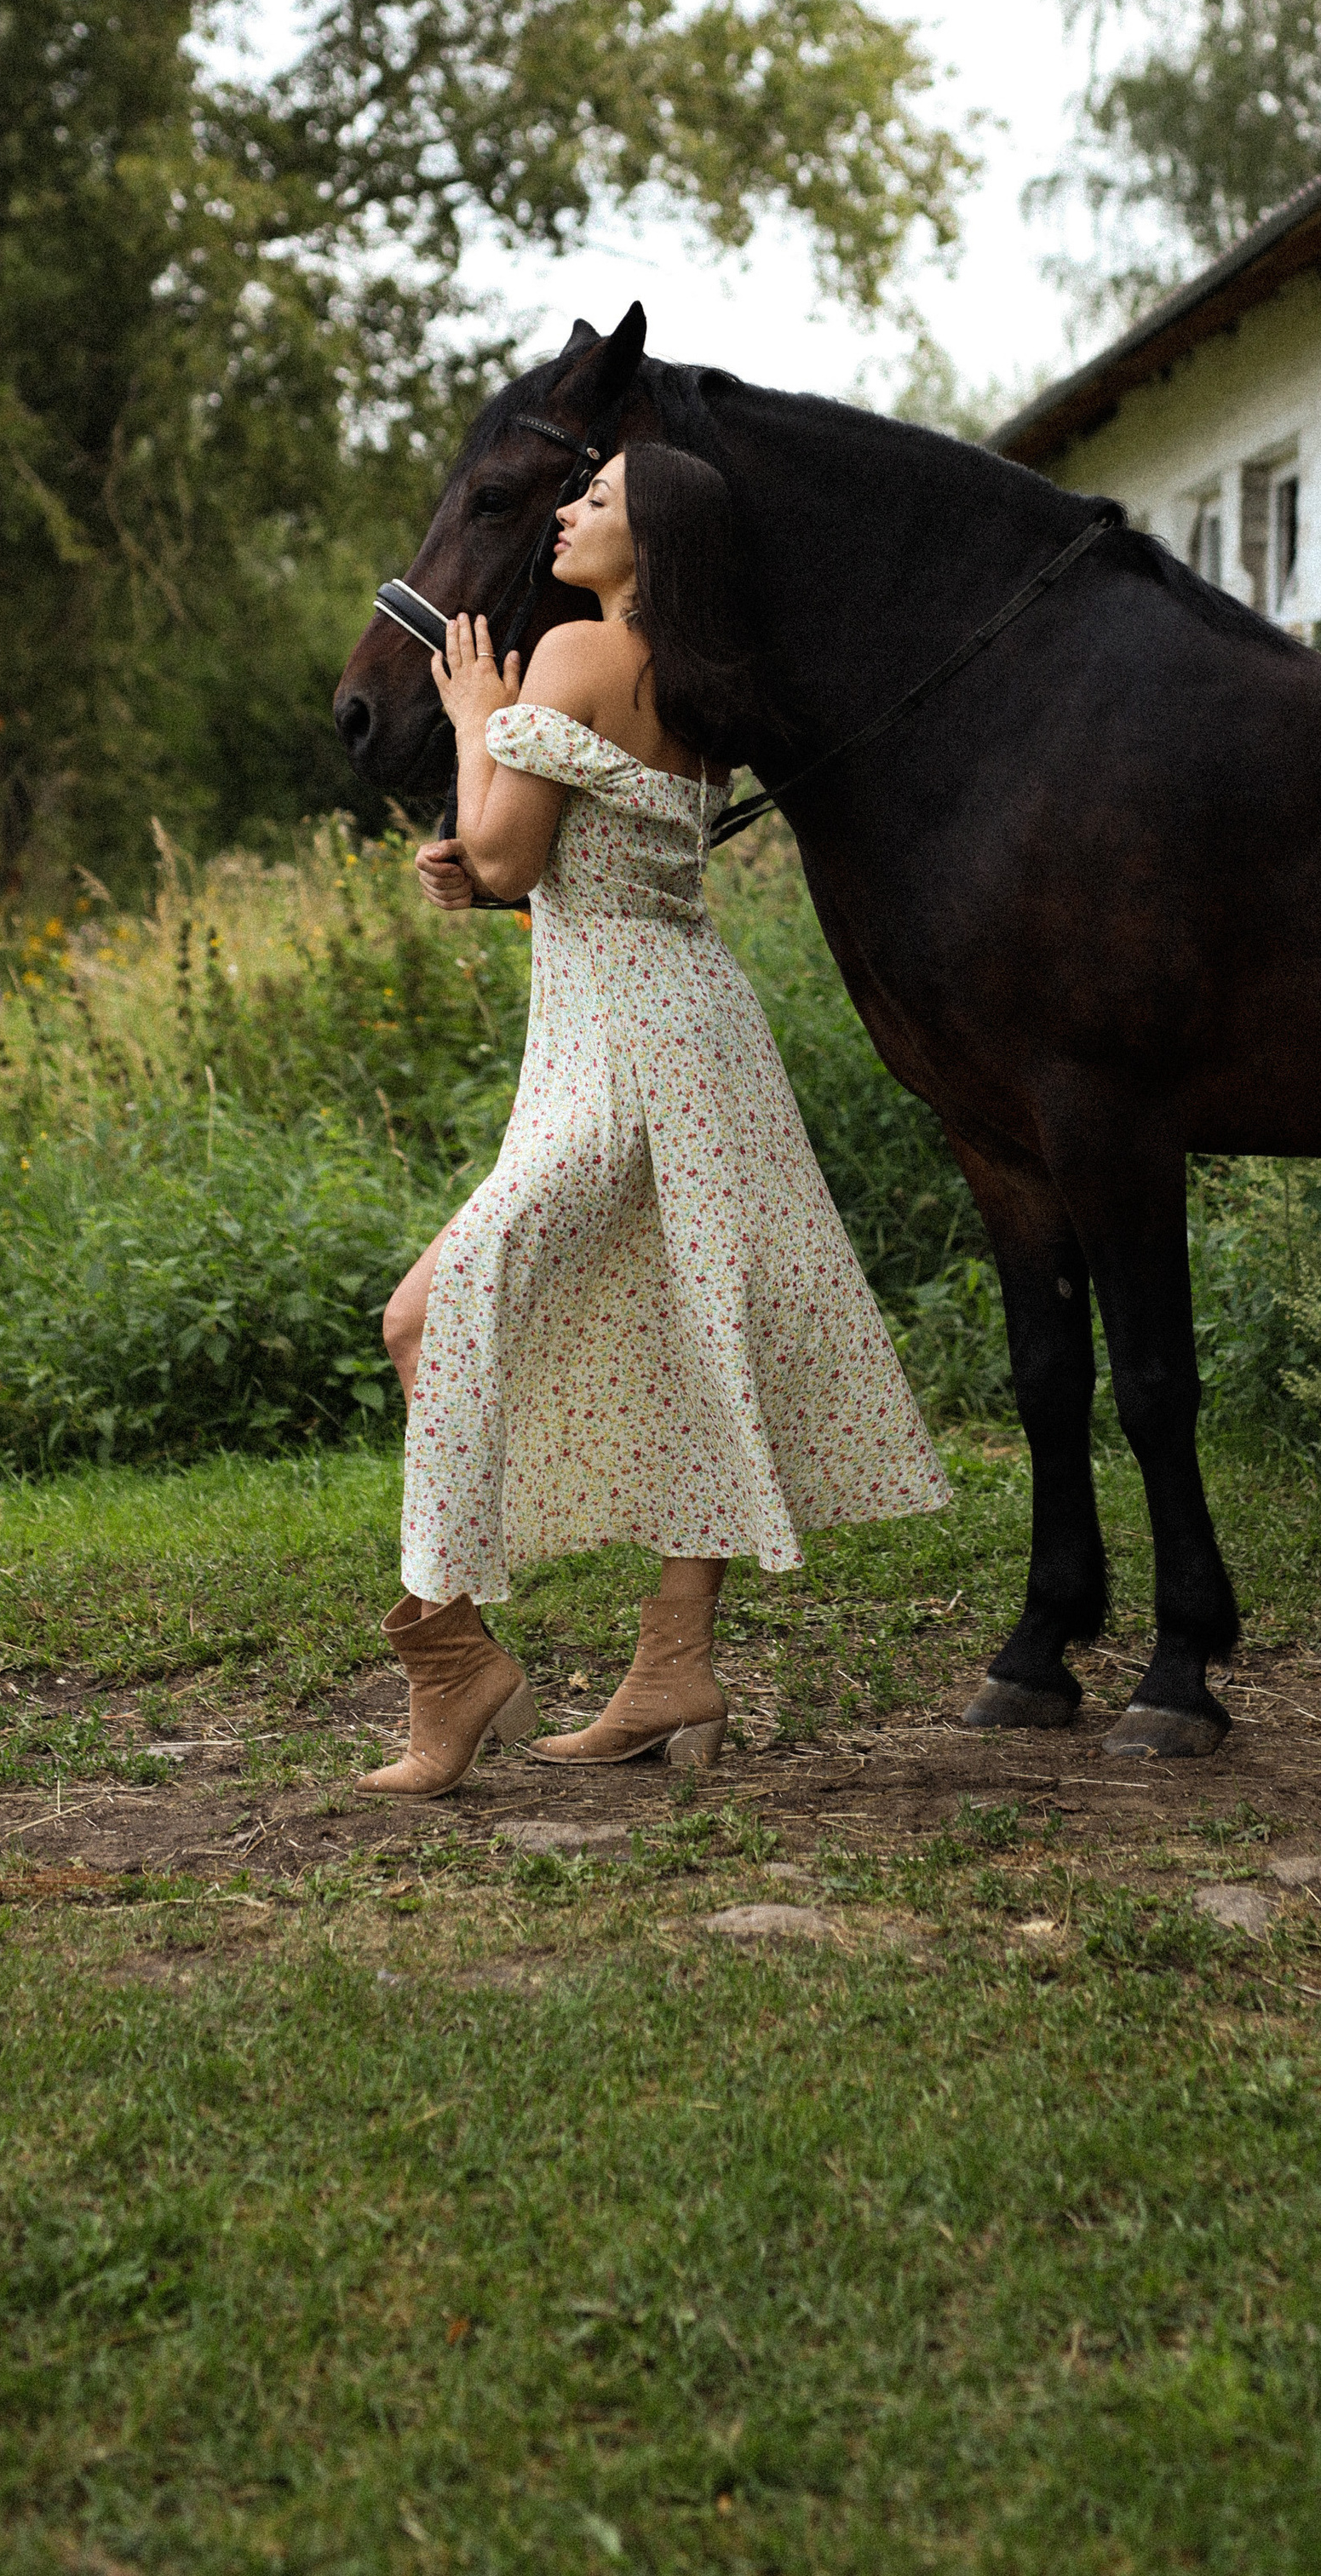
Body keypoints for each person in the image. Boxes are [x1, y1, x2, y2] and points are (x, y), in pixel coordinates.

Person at [359, 442, 948, 1798]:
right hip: (695, 1027)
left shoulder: (568, 653)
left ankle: (451, 1661)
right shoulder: (703, 686)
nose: (569, 513)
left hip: (619, 1044)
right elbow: (540, 859)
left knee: (423, 1315)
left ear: (656, 544)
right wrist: (492, 845)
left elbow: (507, 857)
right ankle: (671, 1661)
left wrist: (472, 716)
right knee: (700, 1327)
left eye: (600, 500)